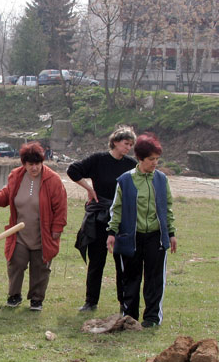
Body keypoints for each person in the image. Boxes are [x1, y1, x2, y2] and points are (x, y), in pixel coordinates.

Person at [0, 142, 67, 311]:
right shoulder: (16, 176)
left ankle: (36, 299)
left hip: (42, 234)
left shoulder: (53, 180)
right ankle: (14, 295)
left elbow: (61, 207)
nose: (34, 168)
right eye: (31, 164)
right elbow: (7, 194)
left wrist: (57, 228)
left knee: (40, 267)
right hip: (19, 233)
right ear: (24, 163)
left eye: (38, 164)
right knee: (15, 262)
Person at [106, 134, 176, 328]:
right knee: (131, 278)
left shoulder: (161, 179)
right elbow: (116, 209)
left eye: (157, 159)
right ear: (140, 159)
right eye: (151, 159)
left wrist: (171, 233)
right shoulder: (125, 180)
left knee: (154, 280)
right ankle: (130, 317)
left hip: (155, 237)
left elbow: (167, 207)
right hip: (131, 237)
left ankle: (152, 318)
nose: (155, 163)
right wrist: (112, 233)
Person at [68, 125, 137, 312]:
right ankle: (91, 302)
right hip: (99, 216)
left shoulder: (131, 166)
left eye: (131, 145)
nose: (128, 148)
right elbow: (73, 170)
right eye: (125, 143)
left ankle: (124, 303)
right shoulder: (98, 160)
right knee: (96, 260)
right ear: (115, 142)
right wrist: (89, 189)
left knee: (121, 262)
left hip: (122, 217)